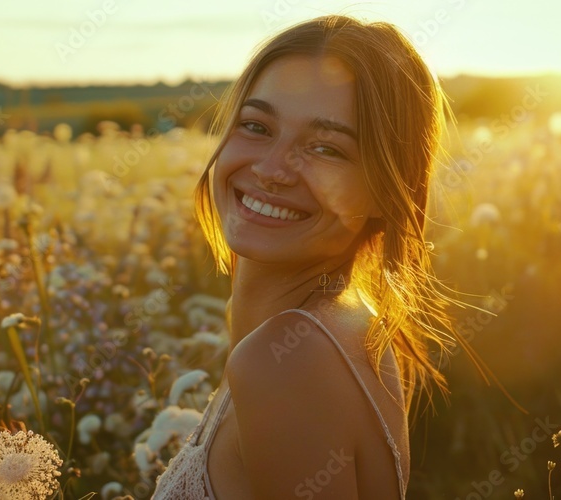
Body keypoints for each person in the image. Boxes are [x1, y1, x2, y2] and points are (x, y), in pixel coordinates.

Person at [153, 14, 469, 499]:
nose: (272, 169)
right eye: (257, 125)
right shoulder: (344, 322)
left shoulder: (285, 363)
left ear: (387, 190)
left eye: (326, 148)